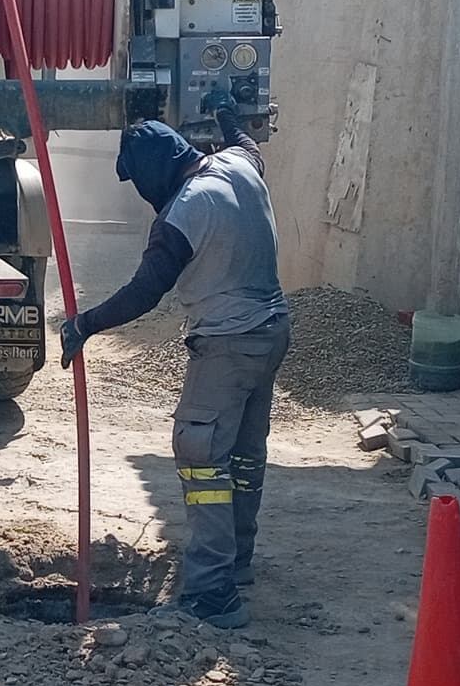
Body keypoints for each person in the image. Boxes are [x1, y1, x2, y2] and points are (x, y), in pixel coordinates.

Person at [59, 99, 288, 629]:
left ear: (152, 173)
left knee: (201, 456)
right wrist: (226, 111)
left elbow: (146, 291)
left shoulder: (183, 213)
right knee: (244, 455)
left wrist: (85, 324)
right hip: (273, 330)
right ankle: (237, 561)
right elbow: (247, 141)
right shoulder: (239, 164)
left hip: (228, 342)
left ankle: (212, 593)